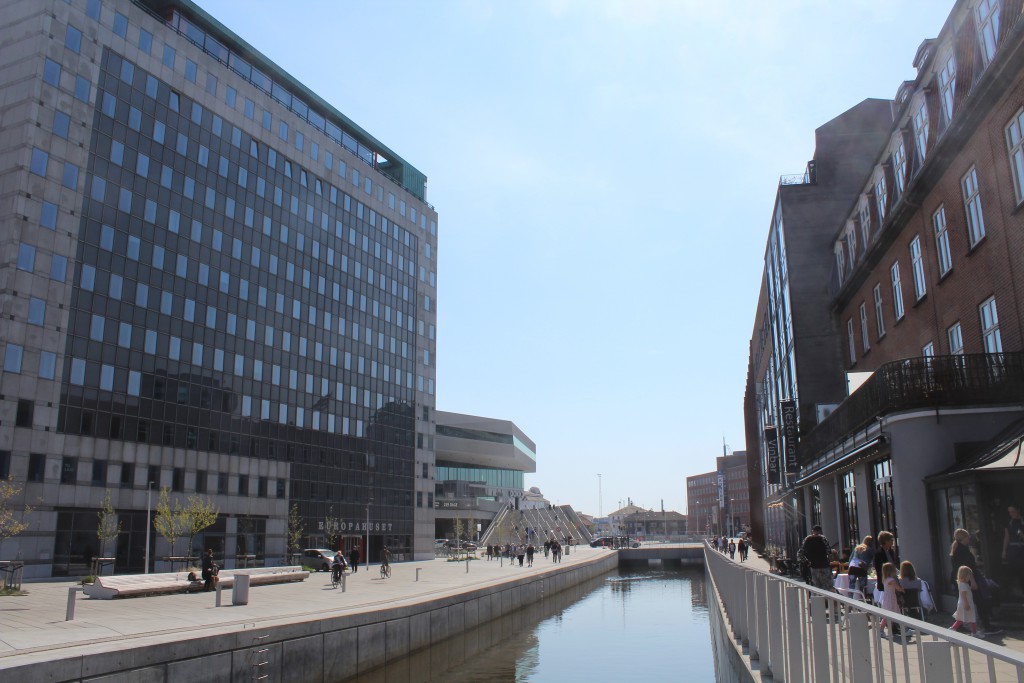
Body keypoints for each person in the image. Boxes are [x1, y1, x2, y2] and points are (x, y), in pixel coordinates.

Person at [949, 528, 998, 635]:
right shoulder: (963, 551)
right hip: (967, 580)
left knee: (962, 604)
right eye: (967, 537)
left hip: (960, 580)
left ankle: (958, 626)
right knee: (978, 602)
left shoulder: (956, 550)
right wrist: (973, 581)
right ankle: (985, 625)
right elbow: (968, 568)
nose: (969, 539)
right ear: (963, 538)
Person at [800, 525, 834, 592]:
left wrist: (807, 561)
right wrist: (829, 560)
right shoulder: (823, 538)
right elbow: (829, 551)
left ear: (812, 531)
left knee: (817, 586)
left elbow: (800, 553)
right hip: (824, 565)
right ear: (820, 531)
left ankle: (819, 600)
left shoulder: (807, 539)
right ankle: (827, 601)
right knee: (828, 585)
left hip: (814, 566)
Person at [1003, 504, 1024, 597]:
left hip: (1022, 549)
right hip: (1013, 549)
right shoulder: (1009, 522)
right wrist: (1004, 550)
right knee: (1013, 571)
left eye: (1013, 511)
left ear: (1018, 510)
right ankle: (1016, 593)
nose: (1011, 514)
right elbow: (1006, 536)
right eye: (1009, 512)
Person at [878, 562, 904, 638]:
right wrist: (902, 589)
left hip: (888, 598)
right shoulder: (891, 580)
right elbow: (897, 588)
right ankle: (884, 630)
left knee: (888, 616)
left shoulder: (885, 579)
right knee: (890, 615)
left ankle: (884, 630)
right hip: (890, 599)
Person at [951, 565, 978, 636]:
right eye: (969, 575)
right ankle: (974, 633)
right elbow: (963, 595)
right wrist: (966, 604)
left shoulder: (963, 584)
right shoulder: (963, 585)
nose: (970, 577)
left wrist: (972, 580)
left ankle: (952, 629)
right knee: (972, 618)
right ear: (965, 575)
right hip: (966, 604)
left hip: (963, 604)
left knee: (960, 619)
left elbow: (974, 587)